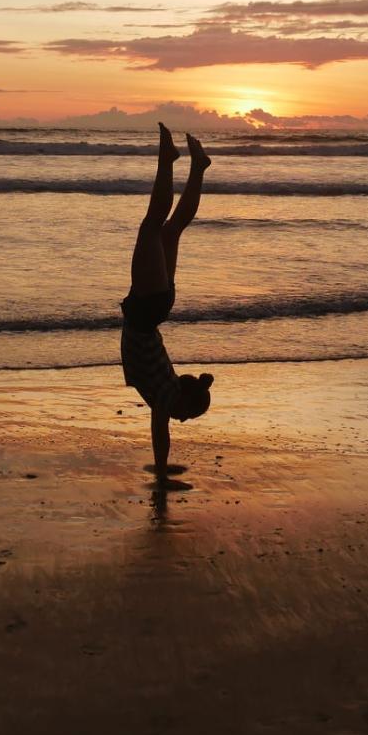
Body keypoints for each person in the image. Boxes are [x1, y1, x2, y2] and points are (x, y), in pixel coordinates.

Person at [120, 122, 214, 488]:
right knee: (152, 225)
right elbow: (161, 431)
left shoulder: (170, 387)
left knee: (169, 229)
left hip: (157, 307)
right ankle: (169, 160)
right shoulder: (166, 394)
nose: (177, 421)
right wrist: (161, 470)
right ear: (183, 405)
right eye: (185, 418)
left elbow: (164, 424)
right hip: (147, 310)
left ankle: (197, 167)